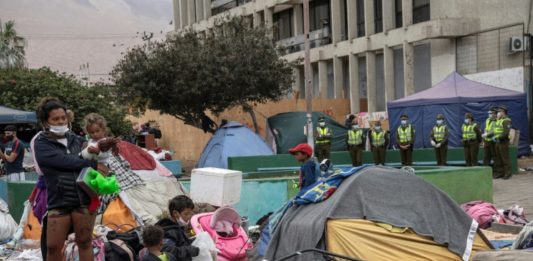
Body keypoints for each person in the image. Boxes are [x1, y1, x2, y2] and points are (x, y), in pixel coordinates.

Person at [33, 97, 109, 261]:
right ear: (46, 122)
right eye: (55, 119)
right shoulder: (41, 143)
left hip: (83, 200)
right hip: (58, 201)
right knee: (53, 247)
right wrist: (90, 164)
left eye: (63, 118)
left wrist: (101, 157)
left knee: (85, 242)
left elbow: (99, 159)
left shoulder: (78, 140)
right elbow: (62, 161)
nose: (61, 122)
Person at [155, 195, 200, 261]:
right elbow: (168, 251)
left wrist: (197, 240)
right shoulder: (170, 232)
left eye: (191, 213)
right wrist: (189, 250)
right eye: (186, 214)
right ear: (175, 213)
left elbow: (182, 243)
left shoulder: (178, 227)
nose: (189, 216)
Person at [493, 105, 512, 179]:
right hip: (497, 142)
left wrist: (497, 137)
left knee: (505, 158)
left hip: (503, 141)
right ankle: (500, 173)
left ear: (503, 112)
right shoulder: (499, 120)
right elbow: (496, 130)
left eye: (499, 111)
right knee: (498, 158)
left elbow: (505, 133)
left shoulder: (506, 120)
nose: (498, 113)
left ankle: (508, 173)